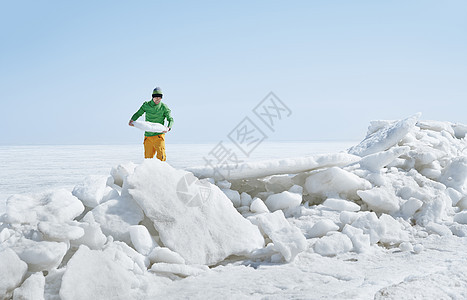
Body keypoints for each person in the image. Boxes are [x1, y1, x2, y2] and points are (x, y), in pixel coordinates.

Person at [129, 87, 174, 161]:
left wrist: (169, 127)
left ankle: (161, 172)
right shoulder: (146, 105)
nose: (157, 99)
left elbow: (170, 119)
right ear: (152, 97)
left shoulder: (164, 107)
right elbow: (138, 114)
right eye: (156, 97)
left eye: (159, 97)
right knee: (148, 159)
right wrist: (132, 120)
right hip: (148, 137)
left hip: (159, 136)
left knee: (161, 157)